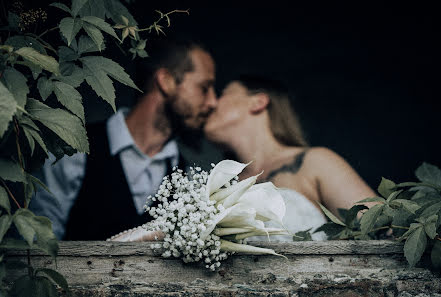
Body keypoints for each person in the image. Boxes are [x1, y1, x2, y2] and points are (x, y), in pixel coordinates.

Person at [29, 37, 218, 240]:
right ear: (166, 81)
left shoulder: (189, 178)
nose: (213, 102)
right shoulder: (74, 150)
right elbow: (40, 247)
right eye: (204, 88)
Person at [203, 74, 377, 240]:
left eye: (222, 94)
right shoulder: (216, 188)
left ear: (258, 102)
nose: (210, 103)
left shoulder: (314, 162)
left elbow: (380, 228)